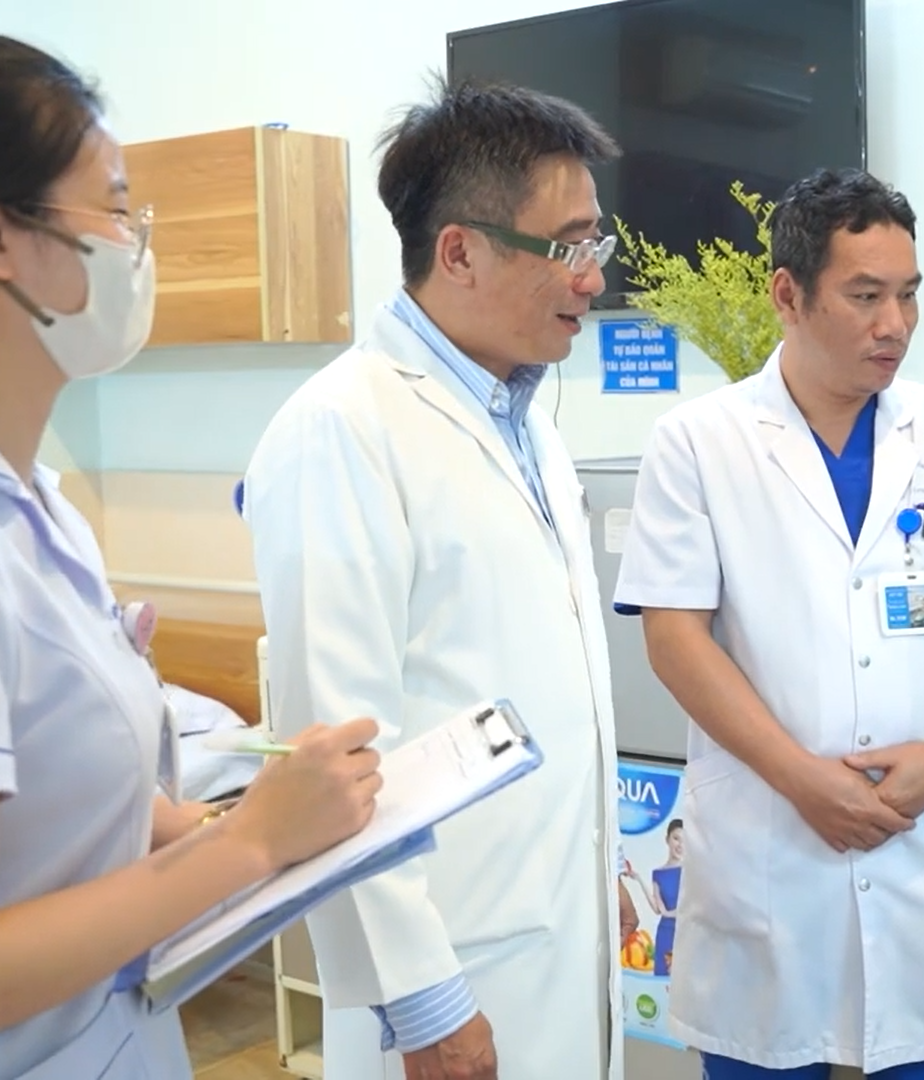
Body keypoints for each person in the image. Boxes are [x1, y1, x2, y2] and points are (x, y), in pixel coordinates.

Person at [0, 29, 383, 1078]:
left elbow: (51, 810)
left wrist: (212, 827)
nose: (138, 246)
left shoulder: (30, 498)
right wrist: (248, 843)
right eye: (118, 209)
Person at [613, 167, 924, 1079]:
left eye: (908, 295)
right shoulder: (699, 442)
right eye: (865, 296)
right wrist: (803, 781)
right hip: (772, 852)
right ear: (788, 295)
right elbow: (674, 639)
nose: (894, 324)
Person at [243, 80, 627, 1080]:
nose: (593, 278)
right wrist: (422, 998)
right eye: (569, 246)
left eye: (596, 243)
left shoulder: (530, 423)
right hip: (451, 975)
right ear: (459, 252)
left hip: (552, 932)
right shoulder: (341, 432)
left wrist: (602, 878)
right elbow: (335, 747)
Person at [647, 819, 684, 977]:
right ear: (667, 839)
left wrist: (670, 913)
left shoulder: (690, 872)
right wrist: (639, 880)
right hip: (665, 933)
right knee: (662, 980)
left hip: (685, 932)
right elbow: (658, 909)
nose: (680, 845)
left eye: (685, 841)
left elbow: (690, 906)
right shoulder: (658, 874)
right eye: (676, 838)